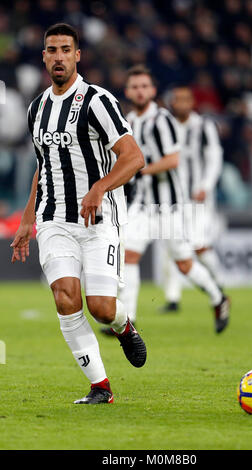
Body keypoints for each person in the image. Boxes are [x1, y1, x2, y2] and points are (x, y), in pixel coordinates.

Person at [10, 23, 146, 405]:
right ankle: (101, 387)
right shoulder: (37, 107)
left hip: (98, 218)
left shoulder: (97, 100)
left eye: (65, 49)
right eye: (51, 50)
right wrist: (26, 219)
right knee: (65, 298)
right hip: (53, 220)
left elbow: (134, 157)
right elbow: (45, 165)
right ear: (43, 56)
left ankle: (123, 325)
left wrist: (100, 187)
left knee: (101, 308)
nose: (58, 56)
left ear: (77, 55)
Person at [101, 65, 230, 335]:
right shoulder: (128, 121)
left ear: (153, 91)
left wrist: (141, 168)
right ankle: (129, 320)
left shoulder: (163, 120)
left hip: (169, 205)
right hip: (142, 204)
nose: (140, 91)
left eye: (144, 86)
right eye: (135, 87)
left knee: (184, 262)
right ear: (127, 91)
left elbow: (174, 159)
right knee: (130, 256)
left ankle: (218, 297)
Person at [160, 85, 226, 312]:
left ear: (192, 103)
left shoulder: (203, 126)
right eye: (178, 99)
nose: (182, 104)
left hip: (198, 198)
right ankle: (173, 298)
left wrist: (206, 185)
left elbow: (215, 158)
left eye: (186, 100)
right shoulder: (165, 125)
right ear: (172, 102)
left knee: (198, 245)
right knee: (173, 246)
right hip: (173, 198)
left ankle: (219, 285)